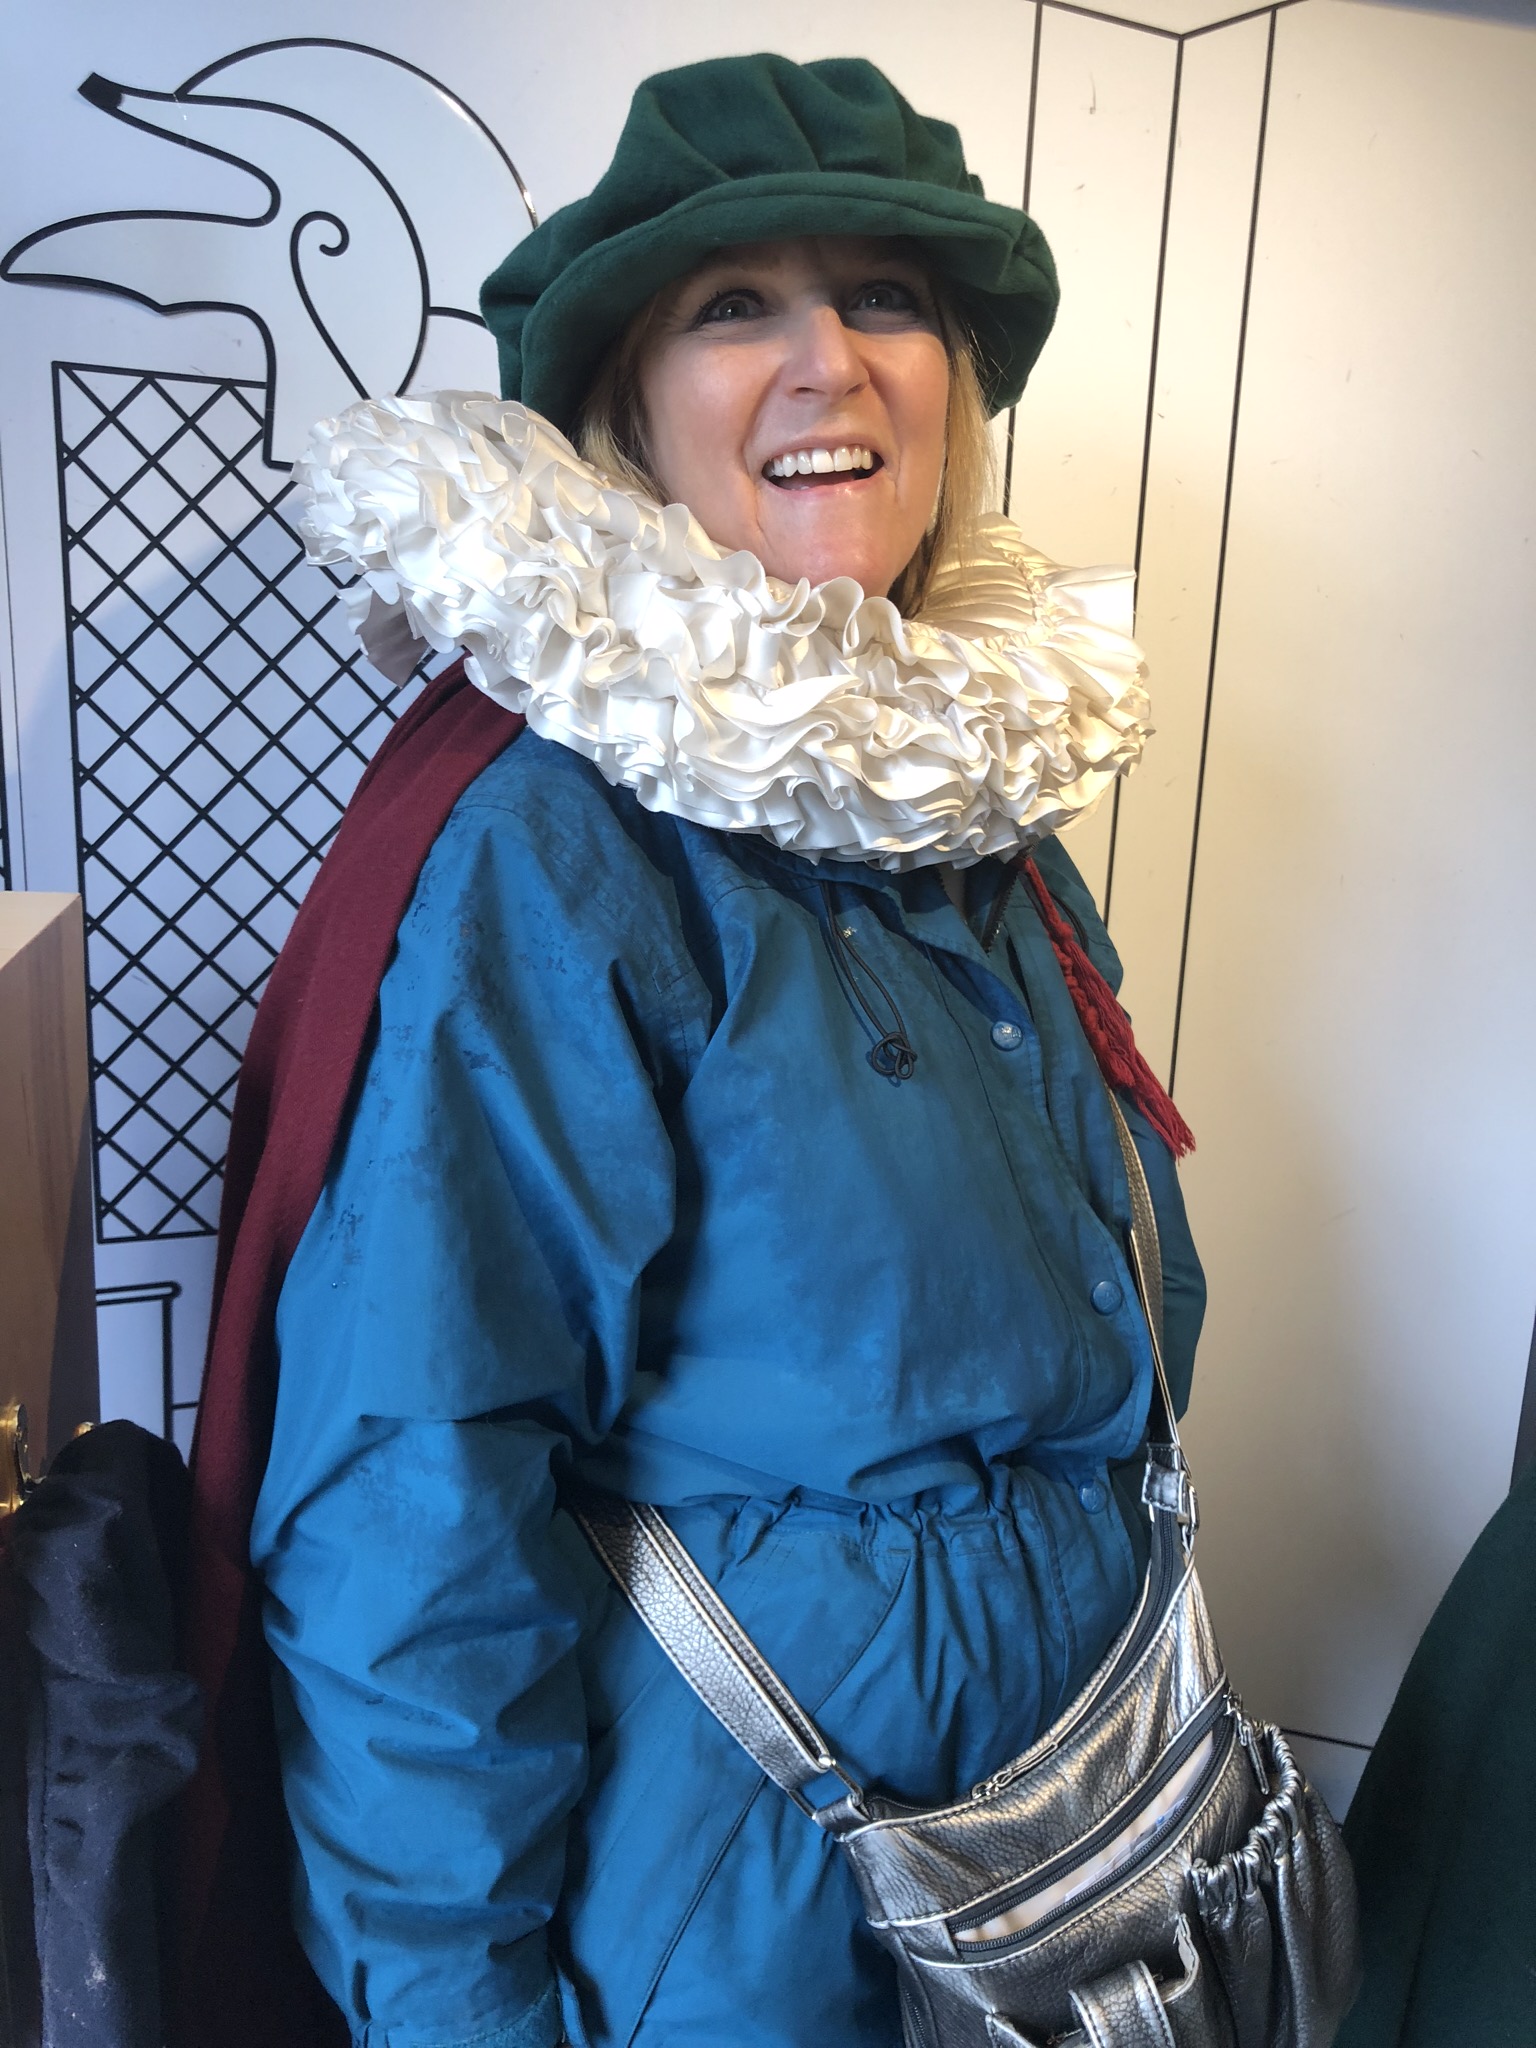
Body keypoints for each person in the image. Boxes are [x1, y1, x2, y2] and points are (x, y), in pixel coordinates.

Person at [181, 52, 1205, 2048]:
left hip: (1068, 1872)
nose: (831, 360)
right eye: (737, 306)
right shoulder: (560, 847)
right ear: (630, 411)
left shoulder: (979, 806)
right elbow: (411, 1504)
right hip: (740, 1944)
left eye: (887, 297)